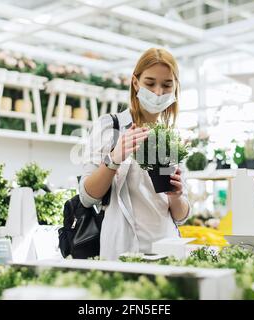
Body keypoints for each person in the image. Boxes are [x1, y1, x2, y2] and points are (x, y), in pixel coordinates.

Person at [79, 48, 191, 260]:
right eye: (150, 83)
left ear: (175, 87)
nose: (158, 92)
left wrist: (176, 196)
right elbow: (86, 197)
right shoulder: (110, 127)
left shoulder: (172, 137)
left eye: (167, 85)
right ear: (135, 82)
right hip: (122, 249)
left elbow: (181, 215)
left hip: (167, 250)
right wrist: (114, 159)